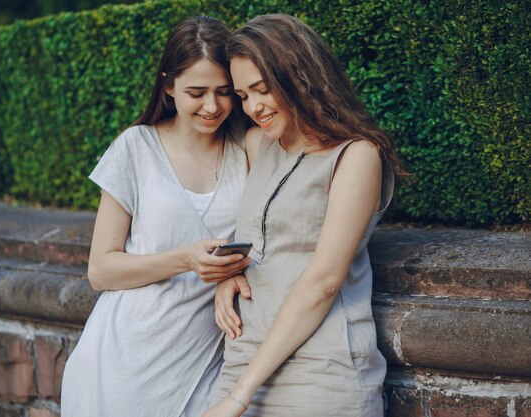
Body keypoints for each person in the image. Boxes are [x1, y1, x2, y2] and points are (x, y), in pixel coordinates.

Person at [204, 14, 404, 417]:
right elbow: (263, 240)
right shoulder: (259, 144)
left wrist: (239, 396)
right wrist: (229, 272)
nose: (253, 107)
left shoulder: (356, 155)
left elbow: (323, 282)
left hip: (320, 373)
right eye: (243, 95)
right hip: (241, 359)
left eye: (262, 89)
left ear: (299, 76)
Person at [60, 16, 250, 417]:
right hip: (121, 361)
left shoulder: (248, 149)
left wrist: (236, 271)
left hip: (203, 364)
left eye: (224, 92)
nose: (212, 106)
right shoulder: (136, 147)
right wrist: (185, 259)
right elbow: (101, 270)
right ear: (168, 86)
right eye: (196, 92)